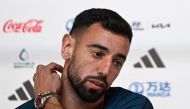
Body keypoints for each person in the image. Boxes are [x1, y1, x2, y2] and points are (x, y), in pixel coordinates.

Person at [16, 8, 154, 109]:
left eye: (117, 62)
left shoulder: (133, 105)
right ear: (67, 47)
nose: (106, 70)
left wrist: (47, 99)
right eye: (97, 54)